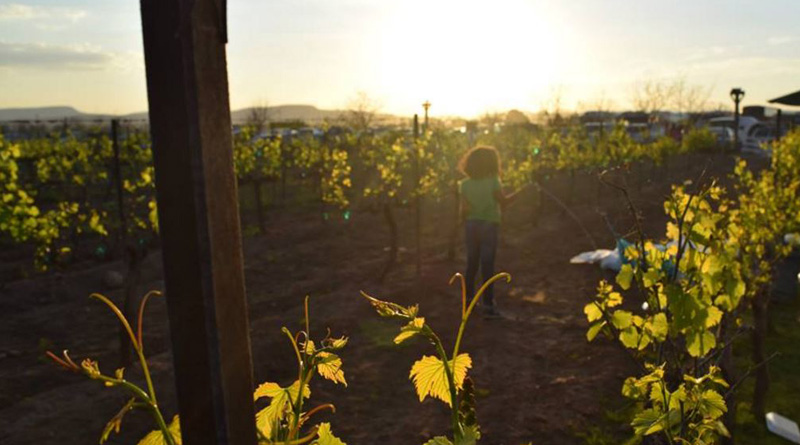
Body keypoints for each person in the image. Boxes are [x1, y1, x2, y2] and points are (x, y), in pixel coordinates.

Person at [458, 146, 526, 318]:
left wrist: (465, 222)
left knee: (471, 264)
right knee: (487, 265)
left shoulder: (464, 185)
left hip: (471, 225)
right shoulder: (493, 181)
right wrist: (520, 194)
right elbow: (503, 202)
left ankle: (468, 302)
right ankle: (488, 305)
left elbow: (463, 210)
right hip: (489, 226)